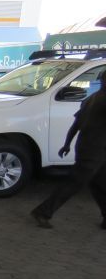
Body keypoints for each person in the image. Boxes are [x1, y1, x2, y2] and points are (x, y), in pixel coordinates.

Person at [31, 68, 106, 229]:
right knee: (74, 183)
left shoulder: (91, 98)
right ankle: (43, 211)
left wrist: (67, 144)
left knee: (100, 183)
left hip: (88, 147)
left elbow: (76, 124)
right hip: (94, 150)